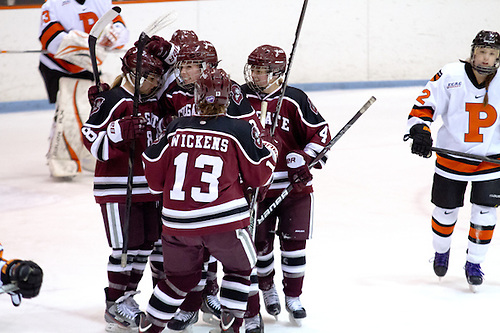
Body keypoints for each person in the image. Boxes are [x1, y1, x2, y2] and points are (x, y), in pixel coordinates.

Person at [139, 67, 278, 333]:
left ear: (196, 96)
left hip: (176, 225)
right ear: (228, 98)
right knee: (241, 268)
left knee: (180, 279)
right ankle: (231, 324)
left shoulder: (176, 127)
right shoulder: (238, 129)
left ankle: (152, 324)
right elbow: (259, 178)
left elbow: (154, 177)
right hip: (223, 224)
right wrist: (269, 148)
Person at [81, 40, 177, 332]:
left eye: (155, 77)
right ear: (131, 74)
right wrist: (116, 133)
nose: (153, 82)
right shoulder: (115, 99)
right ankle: (115, 304)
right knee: (124, 248)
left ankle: (127, 297)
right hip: (117, 188)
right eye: (147, 76)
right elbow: (89, 137)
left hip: (148, 187)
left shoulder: (153, 102)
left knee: (145, 245)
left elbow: (175, 76)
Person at [241, 44, 332, 327]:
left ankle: (293, 296)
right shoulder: (240, 98)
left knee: (294, 246)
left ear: (278, 73)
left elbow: (321, 133)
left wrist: (304, 158)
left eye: (261, 70)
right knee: (259, 247)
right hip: (256, 190)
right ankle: (266, 287)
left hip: (293, 189)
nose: (255, 75)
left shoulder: (294, 99)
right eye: (253, 69)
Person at [404, 30, 500, 291]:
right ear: (473, 52)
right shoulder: (450, 75)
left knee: (485, 213)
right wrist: (420, 130)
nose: (486, 58)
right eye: (482, 51)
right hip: (452, 157)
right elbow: (424, 106)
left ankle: (474, 263)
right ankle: (441, 252)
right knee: (445, 212)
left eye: (492, 54)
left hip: (491, 161)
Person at [39, 0, 129, 178]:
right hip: (59, 69)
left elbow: (122, 31)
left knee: (92, 112)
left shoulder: (102, 1)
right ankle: (62, 162)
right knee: (67, 112)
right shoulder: (52, 4)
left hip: (89, 68)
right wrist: (92, 43)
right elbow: (51, 39)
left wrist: (112, 36)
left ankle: (88, 155)